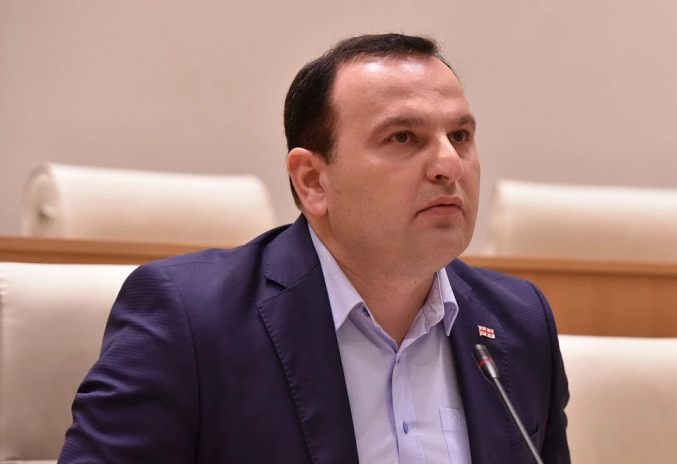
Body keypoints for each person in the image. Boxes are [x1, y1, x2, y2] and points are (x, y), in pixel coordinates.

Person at [59, 33, 569, 463]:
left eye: (460, 135)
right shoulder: (191, 321)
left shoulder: (519, 321)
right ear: (312, 181)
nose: (449, 165)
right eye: (402, 138)